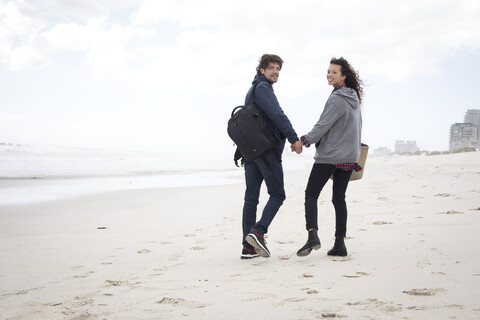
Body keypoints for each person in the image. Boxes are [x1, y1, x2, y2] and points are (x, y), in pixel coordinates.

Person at [291, 57, 363, 257]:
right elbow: (357, 128)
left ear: (343, 76)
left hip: (330, 156)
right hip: (349, 157)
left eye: (334, 72)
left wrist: (303, 142)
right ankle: (340, 244)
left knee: (311, 194)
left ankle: (312, 235)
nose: (329, 75)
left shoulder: (337, 98)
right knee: (339, 199)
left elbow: (322, 126)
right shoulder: (354, 98)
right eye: (328, 71)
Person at [241, 54, 302, 259]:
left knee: (251, 198)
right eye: (271, 68)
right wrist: (293, 139)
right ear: (261, 70)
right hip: (265, 152)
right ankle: (258, 231)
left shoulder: (252, 91)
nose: (275, 72)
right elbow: (278, 115)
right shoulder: (263, 88)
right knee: (278, 194)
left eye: (278, 68)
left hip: (249, 152)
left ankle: (248, 248)